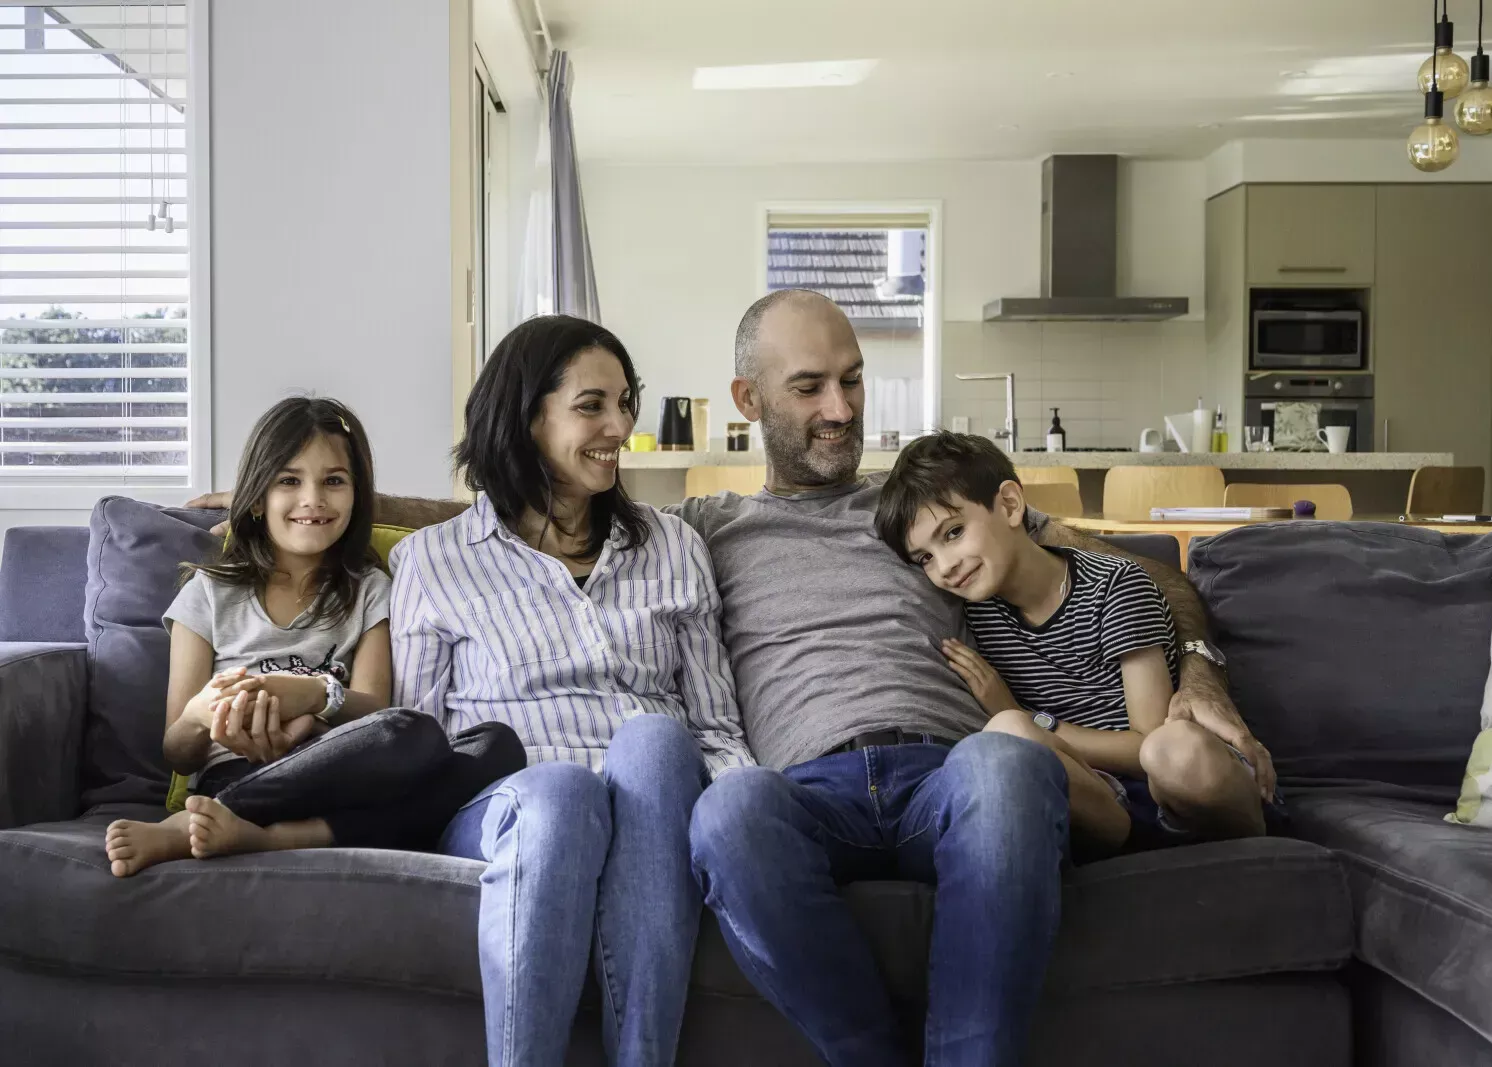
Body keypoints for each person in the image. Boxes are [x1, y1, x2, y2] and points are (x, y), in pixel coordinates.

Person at [188, 294, 1275, 1065]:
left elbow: (1113, 561)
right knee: (720, 805)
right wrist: (294, 669)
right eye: (811, 387)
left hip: (948, 763)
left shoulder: (916, 510)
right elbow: (435, 658)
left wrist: (1203, 669)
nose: (842, 409)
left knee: (997, 766)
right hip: (774, 789)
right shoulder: (699, 526)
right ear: (748, 399)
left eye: (852, 381)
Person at [385, 315, 754, 1067]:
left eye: (626, 402)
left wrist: (747, 821)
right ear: (528, 418)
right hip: (509, 809)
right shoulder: (434, 560)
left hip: (652, 804)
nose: (620, 426)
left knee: (656, 738)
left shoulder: (673, 545)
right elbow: (419, 740)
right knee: (559, 792)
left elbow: (715, 727)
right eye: (593, 405)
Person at [107, 397, 522, 877]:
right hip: (239, 772)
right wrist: (202, 716)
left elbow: (378, 712)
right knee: (411, 743)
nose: (313, 499)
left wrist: (311, 695)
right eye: (288, 480)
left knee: (491, 744)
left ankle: (259, 836)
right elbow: (176, 749)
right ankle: (223, 819)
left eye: (333, 481)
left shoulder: (371, 590)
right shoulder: (210, 592)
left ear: (357, 494)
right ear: (257, 497)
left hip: (339, 774)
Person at [875, 430, 1282, 856]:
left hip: (1176, 780)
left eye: (954, 532)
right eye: (924, 558)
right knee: (1005, 733)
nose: (945, 567)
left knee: (1173, 749)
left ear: (1011, 505)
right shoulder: (975, 610)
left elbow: (1147, 743)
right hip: (1100, 797)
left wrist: (1024, 715)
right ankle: (1126, 841)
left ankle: (1263, 851)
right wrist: (1016, 723)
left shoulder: (1117, 587)